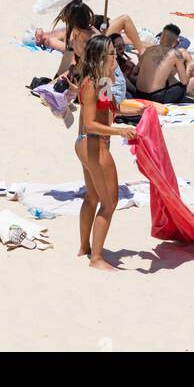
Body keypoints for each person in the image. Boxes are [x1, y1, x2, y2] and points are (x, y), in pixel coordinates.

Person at [74, 36, 137, 271]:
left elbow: (113, 109)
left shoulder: (103, 82)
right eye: (110, 54)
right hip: (94, 144)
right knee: (110, 203)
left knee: (92, 196)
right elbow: (90, 123)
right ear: (99, 57)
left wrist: (145, 108)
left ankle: (84, 248)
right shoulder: (91, 84)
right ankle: (96, 259)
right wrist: (119, 131)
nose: (115, 57)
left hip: (86, 144)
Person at [136, 24, 194, 104]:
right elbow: (184, 81)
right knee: (193, 81)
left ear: (161, 37)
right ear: (176, 42)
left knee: (169, 77)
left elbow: (137, 70)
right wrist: (189, 68)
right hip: (155, 97)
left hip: (139, 94)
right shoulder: (174, 54)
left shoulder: (148, 50)